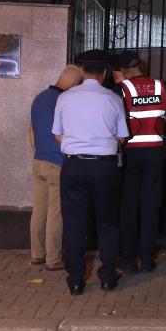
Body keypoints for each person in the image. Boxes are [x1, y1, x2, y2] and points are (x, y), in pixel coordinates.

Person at [52, 50, 130, 295]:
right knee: (108, 223)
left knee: (74, 224)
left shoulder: (65, 98)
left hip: (73, 166)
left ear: (83, 72)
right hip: (104, 167)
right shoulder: (114, 100)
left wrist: (75, 145)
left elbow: (57, 133)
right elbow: (122, 137)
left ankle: (76, 279)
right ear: (105, 74)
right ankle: (107, 276)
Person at [115, 51, 166, 273]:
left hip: (130, 154)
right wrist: (157, 118)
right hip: (155, 154)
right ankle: (146, 260)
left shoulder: (121, 90)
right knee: (150, 206)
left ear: (121, 71)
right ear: (140, 67)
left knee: (128, 207)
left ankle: (128, 261)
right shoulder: (161, 86)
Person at [28, 65, 82, 270]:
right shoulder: (64, 101)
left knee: (39, 211)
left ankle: (37, 254)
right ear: (75, 84)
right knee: (55, 214)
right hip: (56, 163)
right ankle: (53, 259)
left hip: (38, 161)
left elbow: (31, 129)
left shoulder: (39, 98)